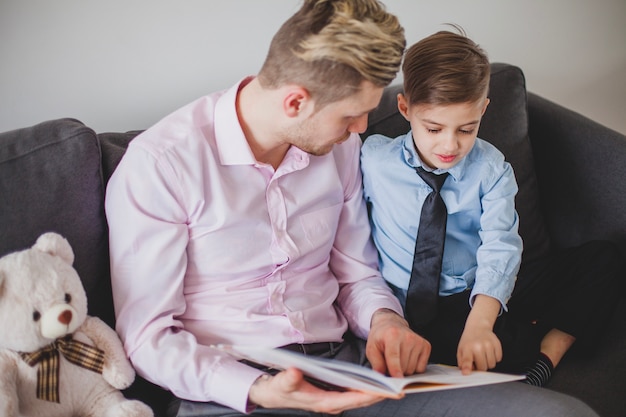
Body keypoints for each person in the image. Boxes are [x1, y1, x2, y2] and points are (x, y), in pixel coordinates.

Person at [105, 2, 601, 416]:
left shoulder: (339, 148)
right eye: (351, 114)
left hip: (350, 367)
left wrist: (386, 322)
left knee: (561, 412)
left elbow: (358, 273)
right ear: (296, 102)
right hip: (233, 392)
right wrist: (254, 389)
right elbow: (148, 338)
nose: (364, 128)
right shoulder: (161, 166)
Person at [361, 27, 621, 390]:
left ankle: (551, 349)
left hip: (482, 286)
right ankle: (531, 342)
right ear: (405, 108)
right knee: (491, 351)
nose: (449, 145)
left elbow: (501, 244)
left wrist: (482, 320)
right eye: (433, 128)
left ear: (483, 110)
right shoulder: (373, 159)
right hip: (424, 306)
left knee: (606, 257)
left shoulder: (491, 169)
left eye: (466, 129)